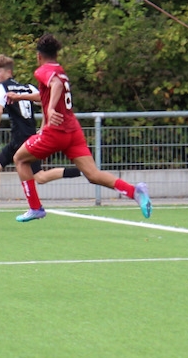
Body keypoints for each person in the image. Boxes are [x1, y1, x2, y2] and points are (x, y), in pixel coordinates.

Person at [9, 34, 152, 222]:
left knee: (20, 159)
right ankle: (134, 191)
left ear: (39, 56)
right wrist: (20, 97)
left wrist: (50, 109)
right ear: (56, 54)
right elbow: (48, 93)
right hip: (73, 131)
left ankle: (35, 208)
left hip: (55, 131)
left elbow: (55, 85)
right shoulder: (60, 70)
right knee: (93, 174)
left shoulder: (43, 70)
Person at [0, 54, 82, 225]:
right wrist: (44, 126)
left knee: (38, 176)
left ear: (8, 72)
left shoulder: (2, 88)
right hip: (24, 138)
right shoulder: (28, 88)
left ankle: (80, 172)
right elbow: (46, 102)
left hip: (22, 140)